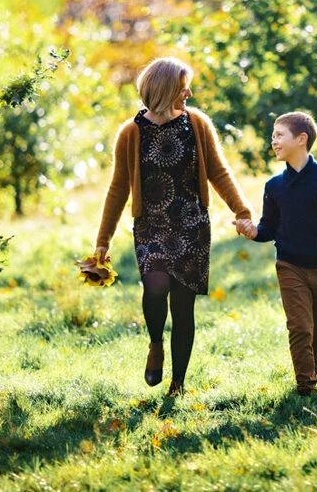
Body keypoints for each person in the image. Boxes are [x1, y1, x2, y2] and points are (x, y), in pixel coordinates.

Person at [94, 57, 253, 397]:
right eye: (184, 88)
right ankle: (155, 343)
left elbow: (218, 172)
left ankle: (177, 384)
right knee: (155, 286)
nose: (189, 94)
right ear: (165, 90)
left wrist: (241, 211)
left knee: (183, 308)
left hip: (191, 226)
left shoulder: (196, 124)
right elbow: (118, 189)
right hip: (150, 227)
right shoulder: (131, 133)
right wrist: (103, 240)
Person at [236, 112, 317, 396]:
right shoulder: (274, 186)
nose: (273, 141)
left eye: (279, 135)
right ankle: (306, 386)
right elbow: (269, 227)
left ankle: (312, 369)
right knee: (300, 327)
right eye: (272, 136)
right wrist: (253, 232)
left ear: (301, 139)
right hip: (290, 266)